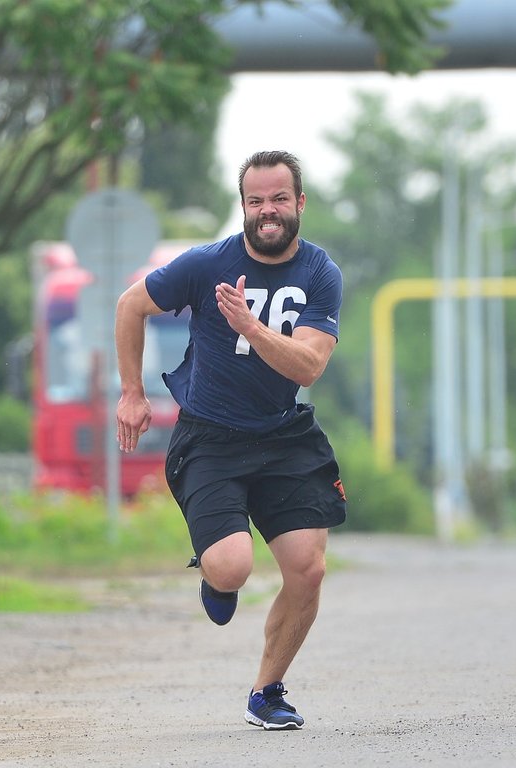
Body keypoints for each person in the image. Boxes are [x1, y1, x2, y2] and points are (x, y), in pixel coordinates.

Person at [115, 150, 347, 730]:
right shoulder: (205, 263)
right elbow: (130, 305)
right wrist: (132, 394)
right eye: (255, 201)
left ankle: (267, 692)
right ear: (243, 206)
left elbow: (309, 366)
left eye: (278, 199)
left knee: (308, 569)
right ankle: (214, 575)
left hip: (283, 436)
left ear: (299, 203)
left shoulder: (320, 273)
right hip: (210, 438)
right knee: (232, 569)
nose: (267, 211)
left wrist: (250, 325)